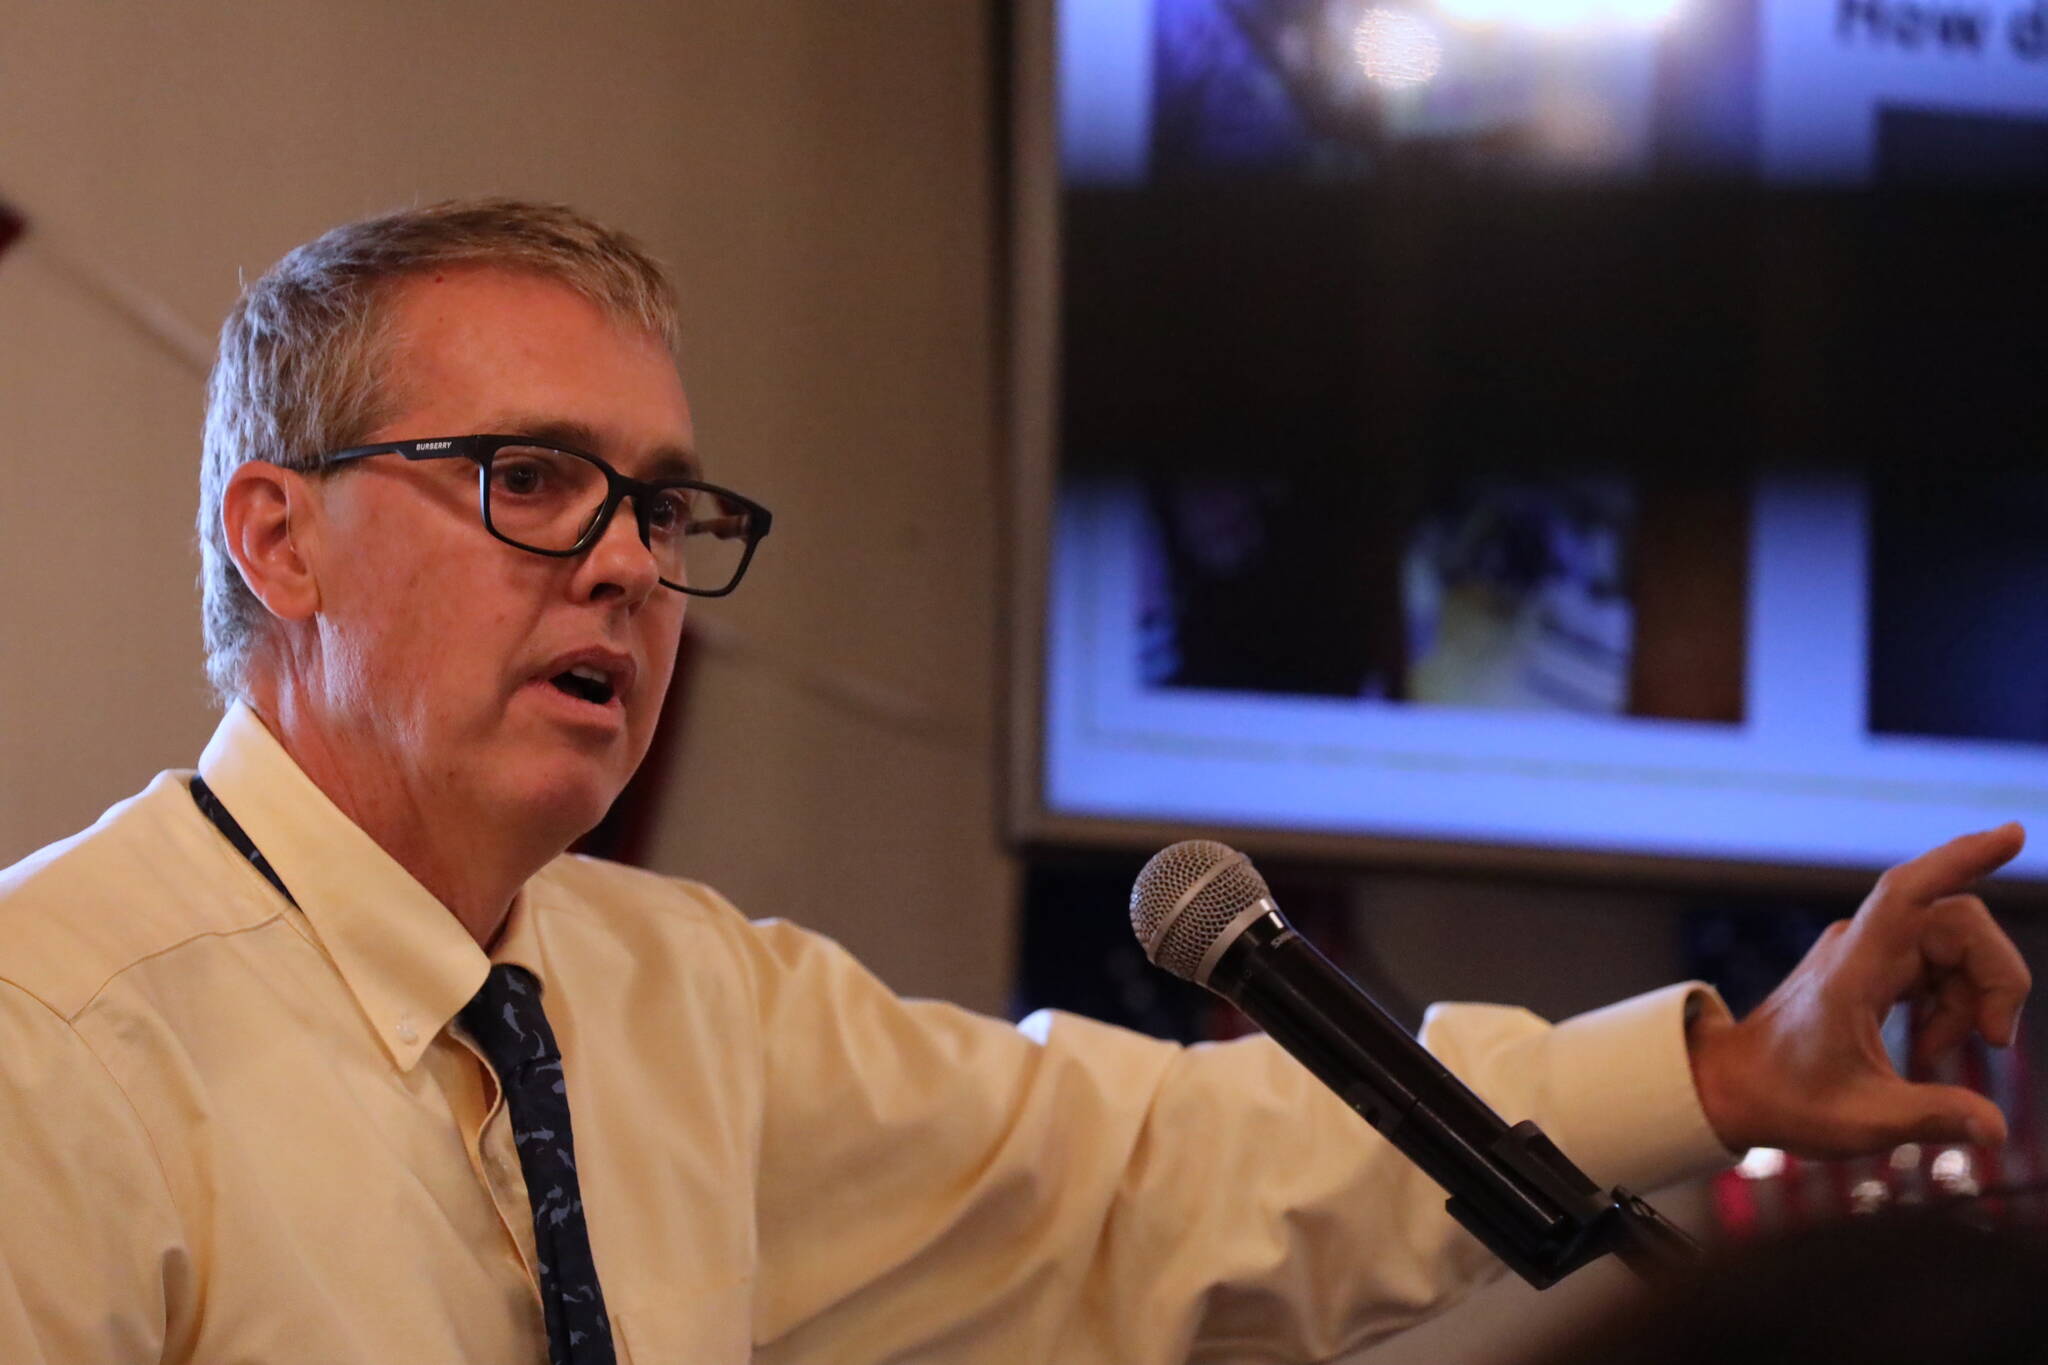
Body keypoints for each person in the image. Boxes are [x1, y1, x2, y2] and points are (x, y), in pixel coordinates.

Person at [0, 198, 2030, 1365]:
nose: (625, 562)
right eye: (530, 479)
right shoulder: (51, 1040)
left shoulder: (676, 997)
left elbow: (1150, 1175)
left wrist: (1723, 1070)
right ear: (280, 539)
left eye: (665, 504)